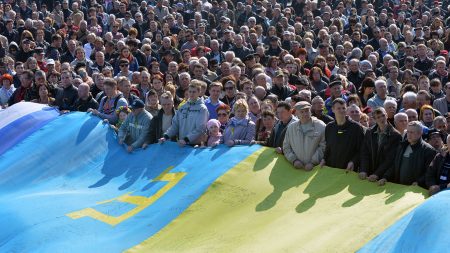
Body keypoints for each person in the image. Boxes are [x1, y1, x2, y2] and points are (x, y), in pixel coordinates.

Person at [378, 121, 437, 188]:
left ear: (420, 133)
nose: (408, 134)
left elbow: (429, 172)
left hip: (414, 191)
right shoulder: (402, 146)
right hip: (399, 188)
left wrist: (418, 182)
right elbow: (395, 165)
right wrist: (385, 177)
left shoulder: (429, 150)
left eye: (411, 132)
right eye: (408, 131)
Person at [321, 98, 365, 171]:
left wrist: (353, 161)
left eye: (343, 108)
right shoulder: (329, 127)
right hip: (331, 169)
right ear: (333, 109)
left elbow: (361, 149)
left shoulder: (356, 128)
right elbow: (328, 147)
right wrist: (324, 159)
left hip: (349, 170)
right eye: (338, 108)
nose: (342, 110)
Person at [161, 80, 209, 146]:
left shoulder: (202, 109)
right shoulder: (182, 107)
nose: (191, 94)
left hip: (195, 145)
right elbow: (175, 125)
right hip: (182, 144)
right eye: (190, 91)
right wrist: (165, 137)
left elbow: (200, 129)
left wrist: (186, 140)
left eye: (194, 92)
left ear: (199, 92)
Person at [359, 107, 402, 182]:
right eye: (378, 117)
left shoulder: (396, 135)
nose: (381, 119)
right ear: (374, 119)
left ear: (387, 116)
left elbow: (390, 159)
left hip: (384, 177)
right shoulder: (369, 132)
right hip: (369, 174)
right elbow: (365, 152)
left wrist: (377, 174)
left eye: (383, 115)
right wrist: (363, 170)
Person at [283, 101, 326, 171]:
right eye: (301, 112)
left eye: (307, 111)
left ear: (311, 111)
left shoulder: (321, 126)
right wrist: (294, 160)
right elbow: (286, 147)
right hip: (295, 169)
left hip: (315, 169)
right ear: (296, 113)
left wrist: (313, 162)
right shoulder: (291, 128)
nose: (305, 114)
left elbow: (323, 146)